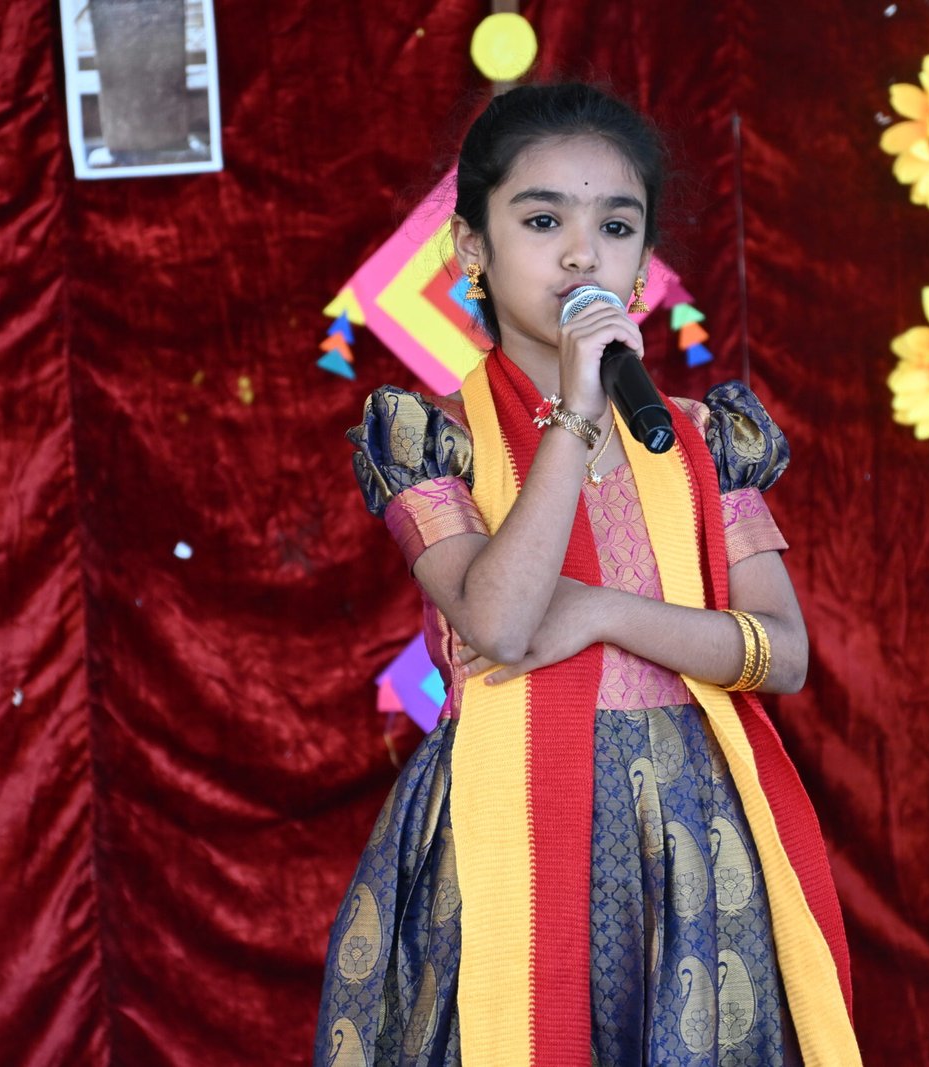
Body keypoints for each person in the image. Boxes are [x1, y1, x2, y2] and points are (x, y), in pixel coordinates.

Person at [317, 83, 860, 1067]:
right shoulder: (432, 435)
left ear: (643, 264)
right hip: (508, 821)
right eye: (542, 221)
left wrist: (606, 611)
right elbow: (501, 622)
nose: (581, 254)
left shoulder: (701, 437)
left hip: (690, 832)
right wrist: (572, 410)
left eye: (615, 226)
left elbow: (782, 655)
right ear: (471, 247)